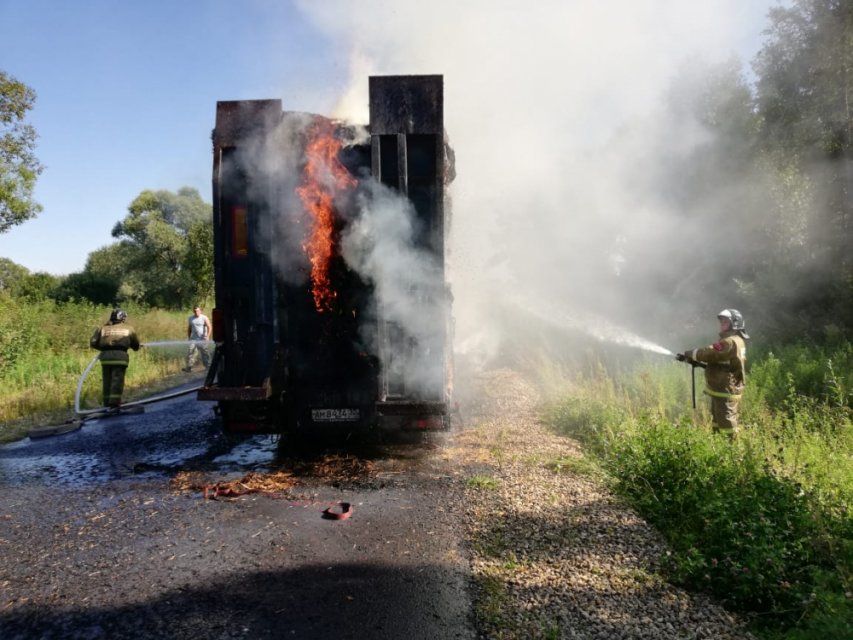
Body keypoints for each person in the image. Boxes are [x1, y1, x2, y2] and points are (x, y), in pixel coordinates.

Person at [677, 309, 749, 438]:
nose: (722, 324)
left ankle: (732, 450)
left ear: (735, 323)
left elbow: (710, 353)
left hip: (726, 388)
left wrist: (691, 354)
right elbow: (721, 362)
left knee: (726, 422)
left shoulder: (729, 341)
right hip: (724, 387)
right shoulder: (736, 340)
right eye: (721, 321)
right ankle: (718, 445)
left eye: (726, 321)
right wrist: (696, 361)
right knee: (718, 420)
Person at [90, 308, 141, 408]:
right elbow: (135, 344)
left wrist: (104, 349)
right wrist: (136, 347)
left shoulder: (102, 328)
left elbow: (93, 343)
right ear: (122, 318)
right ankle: (114, 403)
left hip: (105, 358)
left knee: (107, 381)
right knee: (117, 380)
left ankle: (106, 404)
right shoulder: (128, 329)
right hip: (120, 358)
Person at [183, 305, 213, 372]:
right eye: (195, 311)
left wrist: (208, 336)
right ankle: (189, 367)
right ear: (193, 311)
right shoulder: (191, 318)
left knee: (204, 352)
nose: (196, 312)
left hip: (202, 338)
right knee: (191, 351)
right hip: (193, 338)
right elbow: (189, 329)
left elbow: (209, 327)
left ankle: (208, 366)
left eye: (197, 311)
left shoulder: (204, 318)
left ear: (200, 311)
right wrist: (189, 337)